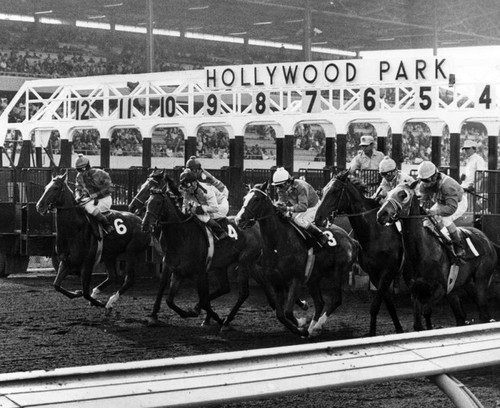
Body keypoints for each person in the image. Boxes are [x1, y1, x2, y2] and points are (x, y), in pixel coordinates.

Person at [417, 161, 467, 258]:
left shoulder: (447, 185)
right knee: (427, 222)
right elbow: (423, 197)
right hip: (442, 202)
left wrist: (435, 212)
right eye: (422, 180)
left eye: (426, 180)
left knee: (446, 219)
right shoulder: (425, 184)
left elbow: (451, 208)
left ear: (434, 177)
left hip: (458, 203)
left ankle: (458, 246)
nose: (424, 184)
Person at [272, 167, 328, 247]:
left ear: (287, 183)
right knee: (286, 218)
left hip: (314, 207)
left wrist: (287, 208)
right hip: (301, 209)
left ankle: (320, 235)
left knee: (298, 220)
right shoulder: (282, 189)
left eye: (280, 186)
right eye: (276, 186)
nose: (278, 189)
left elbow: (303, 207)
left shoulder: (301, 187)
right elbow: (281, 202)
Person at [179, 169, 229, 241]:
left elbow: (215, 208)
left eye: (187, 186)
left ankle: (221, 232)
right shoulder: (187, 190)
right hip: (207, 204)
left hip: (220, 206)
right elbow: (185, 206)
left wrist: (197, 210)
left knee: (200, 215)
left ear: (194, 183)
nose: (186, 190)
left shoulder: (206, 191)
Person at [74, 154, 115, 235]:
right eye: (80, 171)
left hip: (104, 199)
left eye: (84, 170)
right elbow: (78, 189)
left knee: (88, 207)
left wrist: (97, 194)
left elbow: (110, 188)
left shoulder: (101, 174)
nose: (82, 173)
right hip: (90, 200)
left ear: (88, 167)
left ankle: (107, 225)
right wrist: (78, 196)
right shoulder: (79, 176)